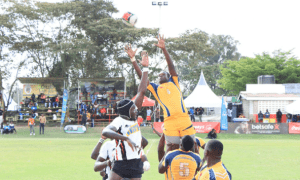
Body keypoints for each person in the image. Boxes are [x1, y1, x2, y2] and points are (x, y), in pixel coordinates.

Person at [126, 35, 196, 153]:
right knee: (171, 149)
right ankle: (169, 171)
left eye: (162, 74)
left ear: (168, 76)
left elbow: (171, 66)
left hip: (184, 119)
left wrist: (164, 49)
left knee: (192, 148)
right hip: (169, 121)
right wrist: (134, 61)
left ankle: (195, 169)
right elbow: (143, 79)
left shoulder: (174, 82)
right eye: (158, 75)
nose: (159, 76)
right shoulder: (156, 88)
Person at [102, 50, 149, 180]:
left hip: (136, 162)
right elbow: (106, 131)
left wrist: (145, 68)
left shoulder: (132, 117)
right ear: (127, 111)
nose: (136, 110)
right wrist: (125, 139)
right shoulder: (119, 121)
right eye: (134, 109)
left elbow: (142, 90)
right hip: (121, 162)